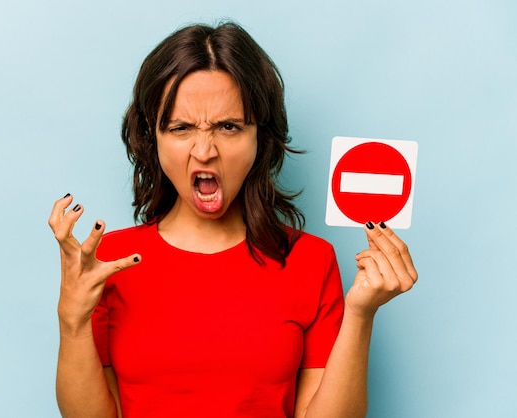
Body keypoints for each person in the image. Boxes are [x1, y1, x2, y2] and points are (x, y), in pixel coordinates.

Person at [48, 22, 417, 418]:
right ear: (150, 138)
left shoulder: (311, 260)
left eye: (228, 127)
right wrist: (72, 321)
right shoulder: (109, 260)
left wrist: (361, 314)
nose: (204, 151)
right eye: (181, 127)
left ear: (261, 137)